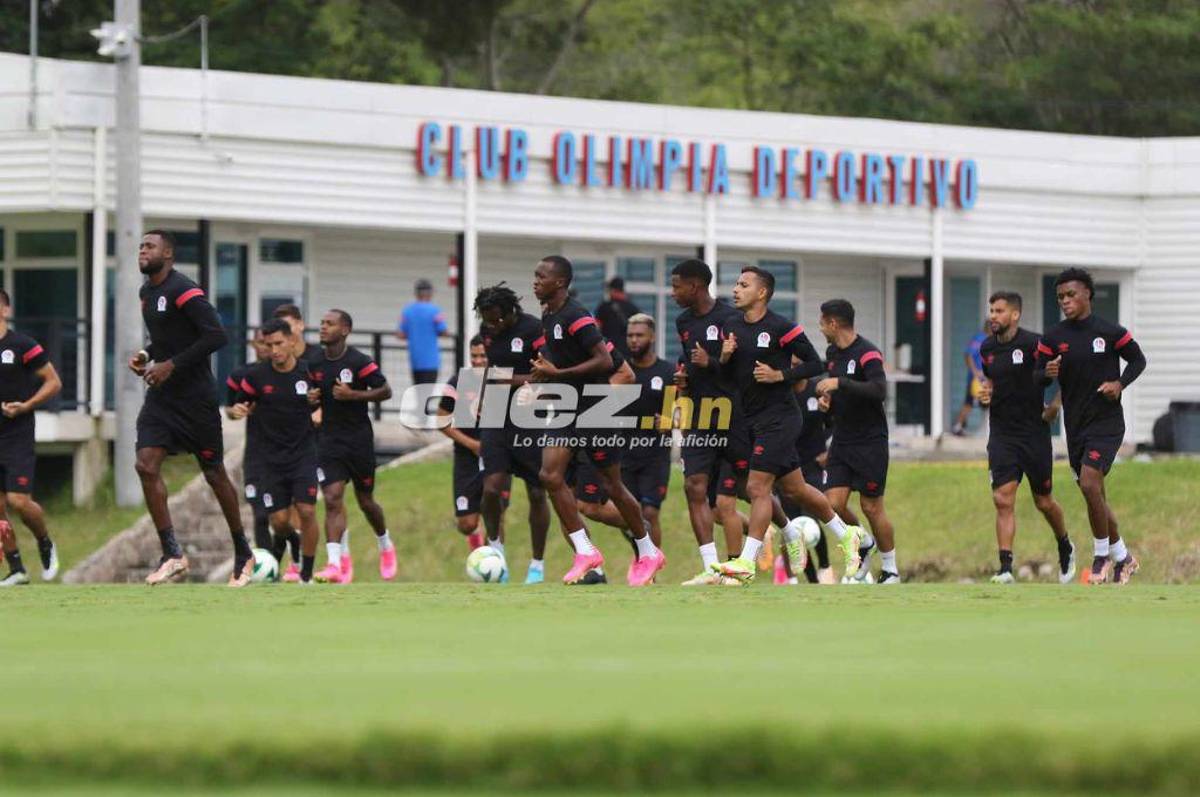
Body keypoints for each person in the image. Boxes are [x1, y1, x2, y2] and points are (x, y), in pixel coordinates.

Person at [712, 268, 860, 585]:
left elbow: (814, 364)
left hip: (780, 418)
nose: (735, 289)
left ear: (762, 293)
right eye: (736, 284)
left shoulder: (782, 328)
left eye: (743, 285)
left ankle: (746, 563)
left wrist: (780, 376)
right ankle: (845, 536)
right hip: (752, 419)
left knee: (756, 488)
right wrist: (723, 358)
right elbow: (727, 380)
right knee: (795, 489)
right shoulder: (731, 326)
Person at [130, 230, 255, 587]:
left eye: (149, 246)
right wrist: (147, 355)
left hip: (195, 400)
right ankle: (172, 553)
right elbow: (168, 340)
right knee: (145, 464)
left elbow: (216, 335)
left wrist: (171, 365)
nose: (142, 250)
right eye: (140, 246)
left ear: (167, 254)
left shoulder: (185, 290)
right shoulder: (147, 292)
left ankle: (243, 552)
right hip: (162, 398)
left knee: (214, 472)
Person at [530, 255, 665, 586]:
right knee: (549, 476)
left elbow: (604, 361)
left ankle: (648, 549)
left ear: (559, 282)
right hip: (570, 409)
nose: (535, 281)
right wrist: (540, 381)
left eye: (541, 276)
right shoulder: (548, 314)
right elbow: (567, 364)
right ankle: (584, 550)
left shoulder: (577, 316)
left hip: (596, 410)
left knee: (612, 487)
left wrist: (557, 374)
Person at [1039, 267, 1146, 585]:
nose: (1065, 301)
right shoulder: (1054, 337)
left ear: (1087, 294)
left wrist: (1120, 383)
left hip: (1107, 423)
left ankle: (1100, 558)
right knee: (1094, 493)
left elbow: (1138, 360)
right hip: (1076, 426)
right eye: (1060, 297)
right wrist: (1047, 373)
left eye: (1070, 294)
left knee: (1089, 483)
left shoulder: (1111, 332)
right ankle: (1124, 559)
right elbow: (1036, 376)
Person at [978, 291, 1076, 584]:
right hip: (1002, 434)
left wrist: (1055, 406)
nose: (993, 316)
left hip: (1034, 433)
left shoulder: (1037, 344)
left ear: (1015, 315)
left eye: (999, 311)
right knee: (1002, 498)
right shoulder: (986, 348)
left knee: (1043, 501)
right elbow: (991, 380)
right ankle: (1005, 567)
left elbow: (1067, 376)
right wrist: (987, 393)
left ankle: (1065, 544)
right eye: (991, 310)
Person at [668, 259, 754, 585]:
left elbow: (743, 370)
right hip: (701, 416)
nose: (673, 292)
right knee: (695, 487)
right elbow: (689, 359)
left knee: (754, 487)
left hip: (734, 415)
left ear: (694, 286)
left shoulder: (732, 318)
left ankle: (788, 529)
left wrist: (712, 362)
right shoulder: (683, 321)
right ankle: (711, 567)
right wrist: (684, 376)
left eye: (677, 286)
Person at [309, 309, 397, 583]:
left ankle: (385, 543)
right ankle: (335, 563)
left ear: (344, 330)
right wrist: (311, 399)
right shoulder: (314, 363)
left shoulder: (359, 361)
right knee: (333, 498)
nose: (323, 327)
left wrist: (353, 394)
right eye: (322, 323)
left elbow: (385, 391)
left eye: (329, 324)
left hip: (358, 441)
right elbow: (311, 397)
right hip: (328, 441)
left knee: (366, 502)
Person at [814, 298, 898, 584]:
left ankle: (890, 569)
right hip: (843, 440)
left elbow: (879, 390)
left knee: (872, 507)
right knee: (832, 503)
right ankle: (863, 543)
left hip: (871, 441)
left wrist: (840, 384)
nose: (820, 327)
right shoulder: (832, 353)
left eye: (822, 321)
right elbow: (842, 396)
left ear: (833, 323)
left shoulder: (868, 353)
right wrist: (829, 405)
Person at [231, 319, 321, 583]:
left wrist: (319, 408)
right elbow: (237, 407)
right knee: (279, 522)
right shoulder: (256, 377)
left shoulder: (309, 373)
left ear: (292, 341)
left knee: (306, 511)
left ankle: (306, 573)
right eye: (269, 345)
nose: (274, 350)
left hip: (304, 455)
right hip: (270, 460)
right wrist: (237, 412)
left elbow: (327, 398)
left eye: (279, 343)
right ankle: (292, 540)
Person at [473, 283, 552, 584]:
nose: (491, 324)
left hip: (529, 415)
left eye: (496, 318)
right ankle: (497, 554)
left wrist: (513, 382)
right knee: (491, 488)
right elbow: (491, 368)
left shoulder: (534, 329)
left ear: (510, 311)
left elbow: (547, 370)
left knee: (536, 491)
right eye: (487, 319)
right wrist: (482, 396)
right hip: (495, 413)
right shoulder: (488, 330)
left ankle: (537, 564)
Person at [0, 288, 63, 587]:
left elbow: (53, 382)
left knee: (19, 501)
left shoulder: (22, 345)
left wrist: (25, 406)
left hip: (17, 435)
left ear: (6, 310)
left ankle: (45, 542)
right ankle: (17, 569)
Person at [436, 335, 510, 552]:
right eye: (473, 356)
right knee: (467, 524)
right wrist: (472, 445)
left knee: (496, 512)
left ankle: (498, 563)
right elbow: (441, 421)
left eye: (482, 356)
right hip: (466, 458)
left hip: (497, 457)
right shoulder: (458, 382)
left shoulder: (503, 381)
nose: (478, 361)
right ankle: (475, 538)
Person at [776, 378, 835, 585]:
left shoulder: (817, 389)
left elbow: (836, 422)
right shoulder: (780, 391)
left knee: (813, 518)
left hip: (813, 466)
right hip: (787, 467)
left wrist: (830, 450)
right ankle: (812, 581)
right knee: (794, 528)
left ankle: (826, 565)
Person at [396, 278, 449, 385]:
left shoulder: (408, 311)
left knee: (418, 391)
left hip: (415, 360)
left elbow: (400, 334)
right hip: (431, 360)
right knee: (428, 393)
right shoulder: (435, 311)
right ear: (430, 293)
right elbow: (444, 332)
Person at [952, 320, 990, 435]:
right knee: (969, 403)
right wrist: (975, 372)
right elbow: (968, 355)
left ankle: (990, 430)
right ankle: (957, 427)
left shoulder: (991, 341)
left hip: (987, 380)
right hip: (976, 380)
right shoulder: (980, 339)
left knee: (990, 403)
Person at [594, 277, 640, 357]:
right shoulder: (633, 308)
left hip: (609, 352)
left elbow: (596, 328)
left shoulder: (604, 307)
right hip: (628, 353)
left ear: (612, 290)